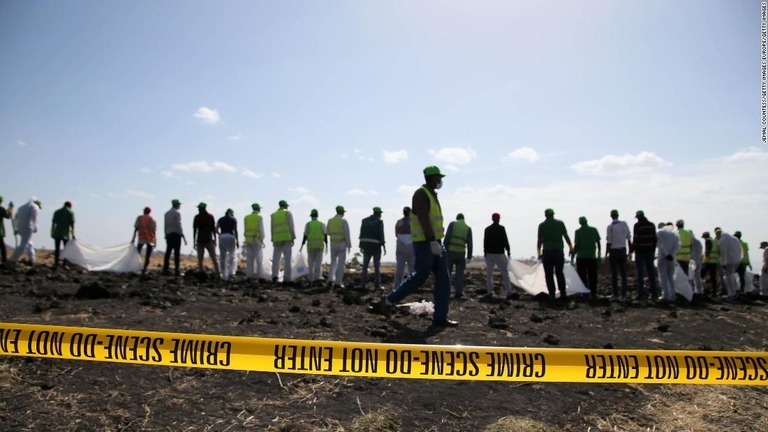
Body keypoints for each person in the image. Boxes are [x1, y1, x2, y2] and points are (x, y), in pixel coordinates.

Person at [382, 166, 457, 327]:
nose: (440, 181)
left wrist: (436, 241)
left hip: (436, 242)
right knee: (419, 277)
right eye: (438, 177)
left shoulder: (432, 194)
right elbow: (423, 218)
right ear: (430, 178)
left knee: (444, 279)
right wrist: (431, 241)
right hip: (425, 243)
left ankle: (440, 317)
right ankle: (389, 300)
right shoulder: (421, 194)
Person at [537, 208, 573, 302]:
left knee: (549, 274)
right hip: (558, 251)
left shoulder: (542, 225)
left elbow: (540, 240)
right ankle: (563, 293)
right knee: (559, 273)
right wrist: (571, 246)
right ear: (553, 214)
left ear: (545, 215)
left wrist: (538, 252)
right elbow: (565, 236)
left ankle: (552, 294)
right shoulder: (560, 223)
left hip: (547, 251)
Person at [483, 213, 513, 299]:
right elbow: (505, 240)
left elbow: (485, 242)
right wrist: (508, 250)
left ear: (492, 219)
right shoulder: (501, 228)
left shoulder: (487, 229)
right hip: (500, 253)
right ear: (499, 219)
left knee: (489, 274)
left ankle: (489, 292)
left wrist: (485, 252)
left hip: (489, 254)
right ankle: (509, 292)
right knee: (505, 273)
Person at [444, 213, 473, 300]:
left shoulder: (452, 224)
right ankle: (459, 293)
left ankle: (446, 291)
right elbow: (470, 244)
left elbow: (447, 238)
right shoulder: (468, 228)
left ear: (457, 218)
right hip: (461, 253)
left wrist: (443, 250)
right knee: (459, 274)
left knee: (447, 272)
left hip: (450, 252)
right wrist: (469, 256)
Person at [573, 216, 601, 300]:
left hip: (581, 256)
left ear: (580, 223)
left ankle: (585, 292)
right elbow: (598, 242)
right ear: (586, 221)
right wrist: (599, 254)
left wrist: (573, 253)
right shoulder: (593, 230)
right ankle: (594, 292)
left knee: (582, 275)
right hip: (592, 256)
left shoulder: (578, 232)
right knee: (593, 275)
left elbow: (577, 244)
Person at [605, 209, 631, 300]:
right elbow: (629, 238)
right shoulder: (624, 225)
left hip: (614, 250)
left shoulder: (610, 227)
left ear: (611, 216)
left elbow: (609, 241)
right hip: (623, 250)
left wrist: (606, 254)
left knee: (614, 273)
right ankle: (624, 294)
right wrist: (630, 251)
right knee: (623, 273)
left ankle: (615, 294)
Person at [632, 210, 657, 301]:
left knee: (640, 274)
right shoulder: (652, 225)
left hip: (640, 252)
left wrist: (631, 251)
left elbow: (636, 239)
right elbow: (654, 239)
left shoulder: (637, 225)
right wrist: (653, 251)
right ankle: (654, 294)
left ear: (638, 217)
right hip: (650, 251)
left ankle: (640, 294)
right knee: (651, 273)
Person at [359, 207, 386, 289]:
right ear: (379, 214)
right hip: (376, 246)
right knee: (377, 266)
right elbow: (381, 234)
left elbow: (362, 232)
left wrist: (361, 245)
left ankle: (363, 284)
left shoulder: (364, 221)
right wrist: (383, 245)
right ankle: (377, 285)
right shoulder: (379, 222)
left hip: (366, 246)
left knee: (365, 266)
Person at [10, 197, 41, 264]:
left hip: (20, 227)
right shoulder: (34, 207)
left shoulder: (21, 207)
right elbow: (34, 216)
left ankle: (32, 259)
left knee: (29, 243)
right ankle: (13, 259)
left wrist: (16, 228)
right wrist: (35, 226)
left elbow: (16, 217)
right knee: (23, 244)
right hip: (28, 227)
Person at [271, 200, 296, 284]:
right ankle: (287, 279)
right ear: (285, 206)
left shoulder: (274, 215)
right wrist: (293, 237)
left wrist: (272, 238)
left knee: (275, 259)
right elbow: (291, 226)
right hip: (286, 238)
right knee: (287, 259)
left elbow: (272, 228)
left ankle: (275, 276)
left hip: (277, 239)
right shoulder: (288, 213)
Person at [300, 209, 327, 285]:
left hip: (311, 246)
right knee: (318, 264)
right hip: (319, 246)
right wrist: (327, 244)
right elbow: (325, 235)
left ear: (311, 216)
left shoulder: (308, 224)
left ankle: (310, 279)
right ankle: (317, 278)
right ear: (317, 216)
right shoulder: (322, 224)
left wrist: (302, 244)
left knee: (310, 263)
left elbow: (305, 235)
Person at [327, 205, 351, 289]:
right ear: (342, 212)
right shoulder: (343, 221)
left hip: (333, 244)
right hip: (341, 244)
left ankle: (330, 279)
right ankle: (338, 282)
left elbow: (328, 232)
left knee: (333, 262)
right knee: (341, 264)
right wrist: (349, 245)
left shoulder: (330, 221)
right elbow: (347, 234)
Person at [193, 202, 220, 276]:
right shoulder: (210, 217)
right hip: (208, 239)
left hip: (201, 240)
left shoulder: (197, 217)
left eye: (199, 208)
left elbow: (195, 230)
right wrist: (215, 240)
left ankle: (202, 272)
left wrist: (194, 241)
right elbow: (213, 229)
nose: (198, 209)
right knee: (214, 258)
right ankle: (217, 273)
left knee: (200, 258)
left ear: (202, 208)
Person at [656, 222, 680, 303]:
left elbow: (660, 245)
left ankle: (665, 296)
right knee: (671, 277)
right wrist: (672, 255)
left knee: (663, 277)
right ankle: (672, 296)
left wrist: (666, 254)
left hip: (663, 257)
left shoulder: (659, 232)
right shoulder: (674, 233)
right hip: (672, 259)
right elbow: (678, 245)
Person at [393, 206, 415, 291]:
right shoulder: (414, 222)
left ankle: (397, 286)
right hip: (412, 245)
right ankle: (411, 286)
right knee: (412, 267)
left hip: (400, 245)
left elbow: (396, 233)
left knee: (400, 267)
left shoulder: (399, 222)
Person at [163, 199, 186, 277]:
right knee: (176, 253)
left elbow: (165, 225)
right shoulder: (177, 213)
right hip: (176, 234)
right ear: (177, 205)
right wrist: (182, 233)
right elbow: (178, 224)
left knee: (168, 252)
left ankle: (165, 269)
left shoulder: (166, 214)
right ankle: (177, 270)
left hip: (169, 234)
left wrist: (165, 234)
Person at [243, 203, 265, 281]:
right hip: (256, 240)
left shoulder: (246, 217)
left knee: (249, 259)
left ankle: (249, 275)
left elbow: (245, 229)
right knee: (259, 259)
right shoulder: (259, 217)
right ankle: (259, 275)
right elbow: (261, 230)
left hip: (248, 240)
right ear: (258, 209)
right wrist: (262, 239)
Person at [51, 201, 75, 270]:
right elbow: (72, 225)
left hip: (57, 233)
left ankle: (56, 264)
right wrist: (73, 234)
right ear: (70, 206)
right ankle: (64, 264)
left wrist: (52, 232)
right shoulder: (70, 212)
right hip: (65, 234)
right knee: (66, 250)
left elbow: (53, 223)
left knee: (57, 249)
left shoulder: (57, 212)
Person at [718, 229, 743, 299]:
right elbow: (740, 250)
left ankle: (731, 293)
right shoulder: (735, 239)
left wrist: (723, 263)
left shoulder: (723, 240)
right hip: (737, 261)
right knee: (732, 276)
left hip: (729, 261)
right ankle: (736, 290)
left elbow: (723, 252)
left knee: (729, 278)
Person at [131, 207, 156, 274]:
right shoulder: (152, 219)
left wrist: (133, 238)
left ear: (144, 211)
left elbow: (136, 229)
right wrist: (155, 241)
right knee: (147, 256)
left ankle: (134, 267)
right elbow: (153, 231)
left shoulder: (139, 218)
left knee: (137, 254)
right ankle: (144, 269)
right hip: (150, 239)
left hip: (141, 238)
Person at [217, 208, 239, 281]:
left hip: (222, 236)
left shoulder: (220, 219)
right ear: (231, 213)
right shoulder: (233, 219)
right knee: (232, 255)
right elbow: (235, 230)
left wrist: (219, 234)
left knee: (223, 257)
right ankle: (231, 273)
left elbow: (216, 229)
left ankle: (224, 275)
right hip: (230, 237)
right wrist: (237, 240)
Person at [700, 231, 719, 297]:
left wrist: (705, 260)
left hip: (708, 261)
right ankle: (714, 292)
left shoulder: (708, 241)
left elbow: (708, 251)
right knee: (713, 278)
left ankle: (699, 290)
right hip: (714, 261)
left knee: (701, 276)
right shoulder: (715, 241)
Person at [0, 196, 14, 264]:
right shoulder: (1, 209)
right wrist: (10, 208)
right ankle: (4, 261)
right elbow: (8, 216)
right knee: (2, 247)